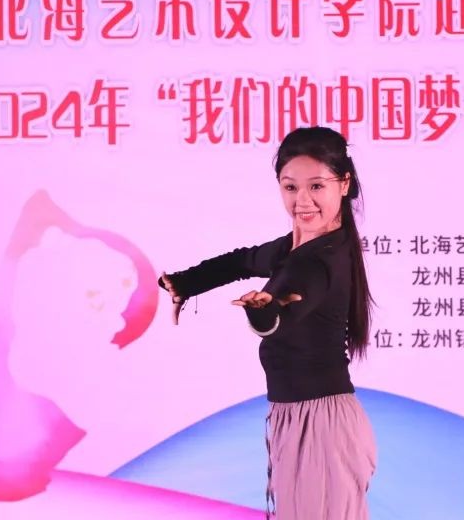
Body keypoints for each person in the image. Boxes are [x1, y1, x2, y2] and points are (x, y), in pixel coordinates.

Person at [159, 126, 377, 520]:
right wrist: (187, 283)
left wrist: (264, 310)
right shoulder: (296, 247)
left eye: (316, 186)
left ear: (344, 184)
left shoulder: (318, 261)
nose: (302, 201)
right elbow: (243, 260)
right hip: (299, 416)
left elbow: (282, 314)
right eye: (290, 187)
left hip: (320, 426)